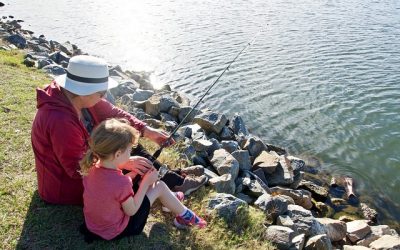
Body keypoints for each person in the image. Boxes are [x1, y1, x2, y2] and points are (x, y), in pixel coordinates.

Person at [31, 55, 207, 205]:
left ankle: (171, 177)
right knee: (123, 154)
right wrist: (123, 163)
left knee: (125, 139)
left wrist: (147, 131)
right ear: (84, 91)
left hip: (84, 165)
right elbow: (77, 170)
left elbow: (115, 114)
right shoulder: (59, 121)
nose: (104, 96)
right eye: (101, 93)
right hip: (65, 189)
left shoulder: (72, 96)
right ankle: (174, 183)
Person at [79, 119, 206, 241]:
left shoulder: (91, 168)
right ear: (117, 154)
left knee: (146, 184)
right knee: (159, 185)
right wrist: (145, 183)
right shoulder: (120, 183)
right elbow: (131, 210)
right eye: (130, 151)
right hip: (119, 229)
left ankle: (171, 199)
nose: (131, 155)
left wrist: (132, 176)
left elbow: (110, 189)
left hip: (94, 225)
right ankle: (186, 217)